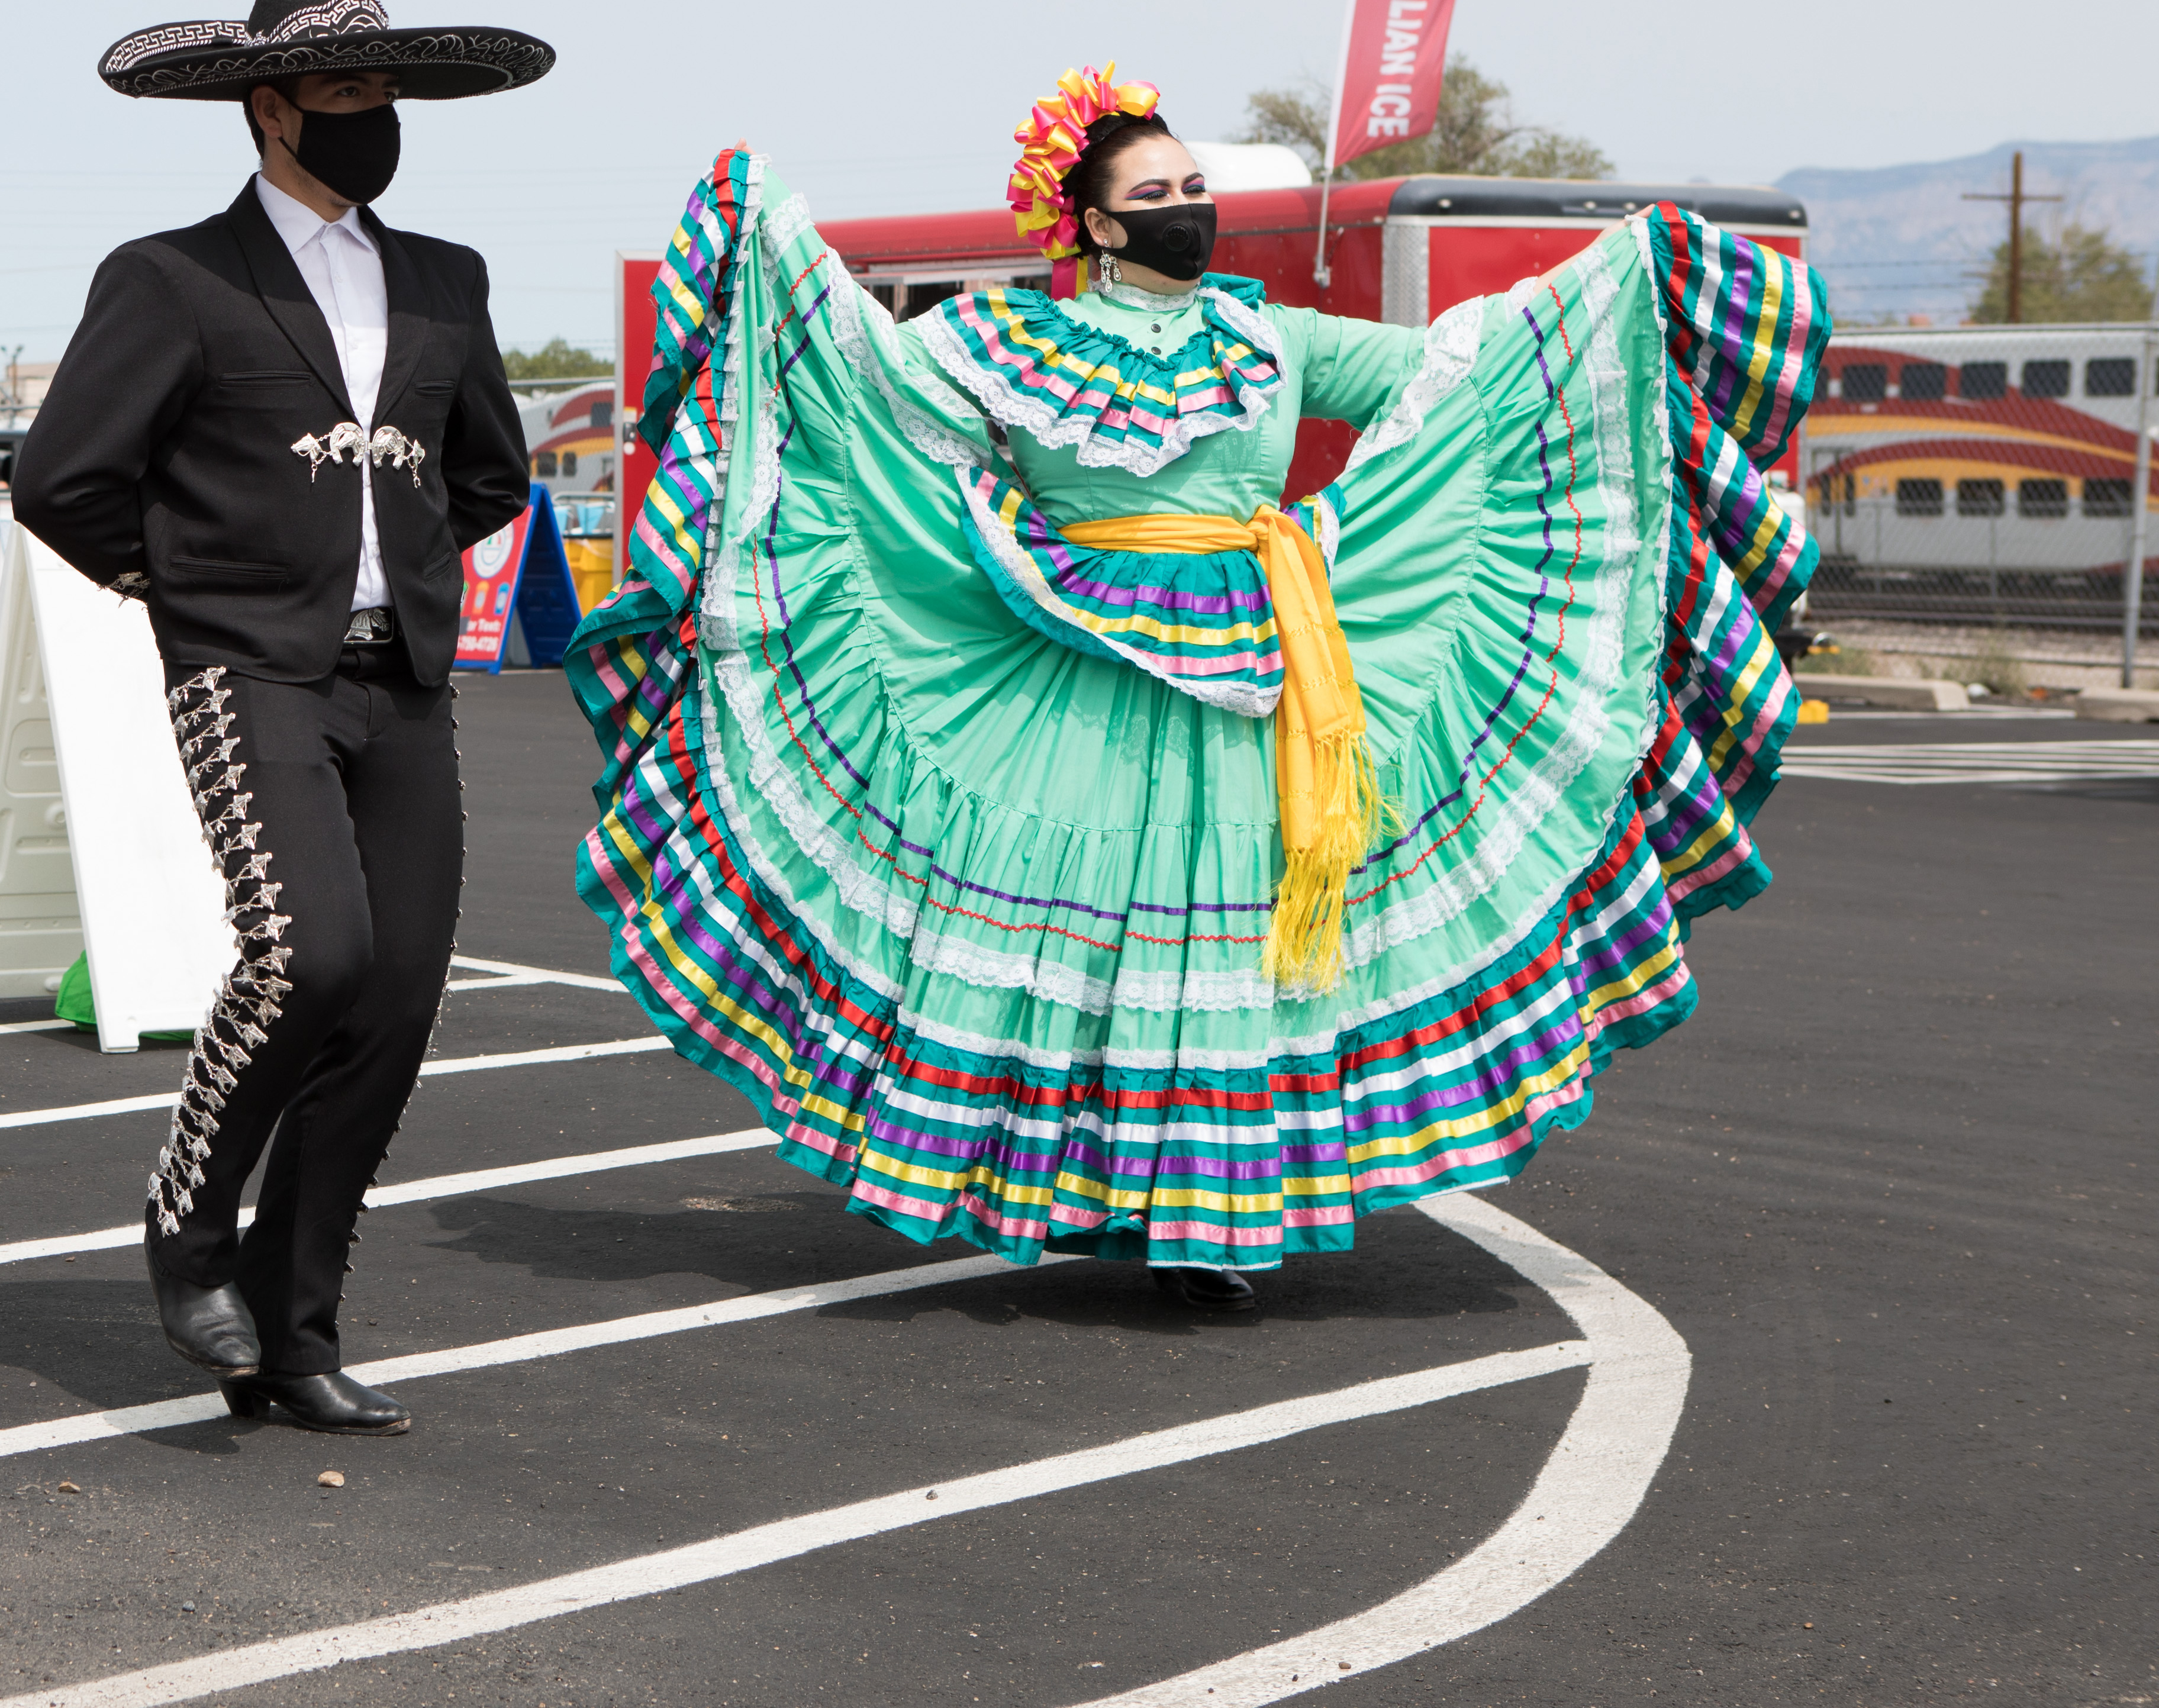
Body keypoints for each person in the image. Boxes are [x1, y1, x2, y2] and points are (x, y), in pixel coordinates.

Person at [576, 69, 1824, 1306]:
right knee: (1092, 938)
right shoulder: (1000, 336)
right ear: (1099, 223)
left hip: (1255, 656)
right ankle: (1088, 1185)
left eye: (1195, 183)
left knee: (1225, 933)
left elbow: (1458, 369)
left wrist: (1600, 292)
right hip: (1076, 669)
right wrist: (775, 254)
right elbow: (866, 386)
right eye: (1158, 191)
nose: (1190, 203)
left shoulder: (1271, 335)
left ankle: (1203, 1217)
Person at [17, 0, 542, 1434]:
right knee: (309, 954)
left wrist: (409, 563)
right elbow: (65, 480)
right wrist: (206, 590)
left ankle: (294, 1330)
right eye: (341, 89)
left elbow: (490, 466)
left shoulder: (446, 281)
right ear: (267, 105)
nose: (372, 113)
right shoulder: (174, 277)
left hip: (405, 682)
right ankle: (189, 1226)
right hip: (250, 671)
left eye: (388, 88)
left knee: (395, 1002)